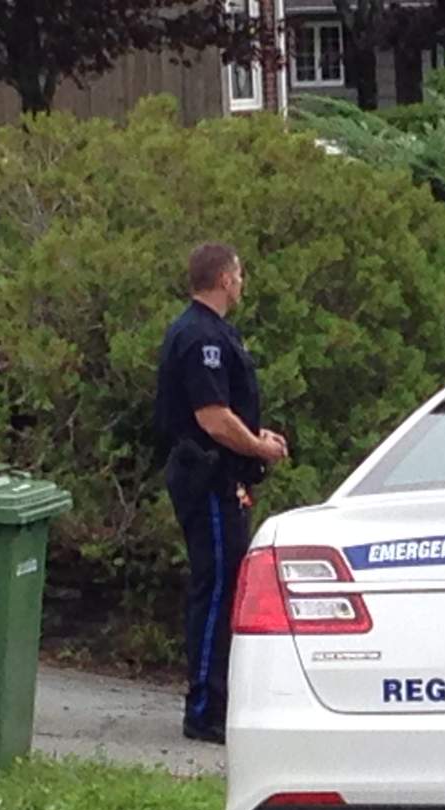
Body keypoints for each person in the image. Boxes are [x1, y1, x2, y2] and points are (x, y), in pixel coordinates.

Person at [154, 243, 288, 744]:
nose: (242, 283)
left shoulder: (215, 333)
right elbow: (212, 418)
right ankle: (205, 708)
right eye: (239, 275)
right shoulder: (200, 337)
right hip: (207, 477)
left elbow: (228, 408)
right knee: (216, 590)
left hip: (223, 473)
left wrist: (257, 436)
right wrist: (256, 445)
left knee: (227, 585)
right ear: (225, 279)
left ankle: (219, 699)